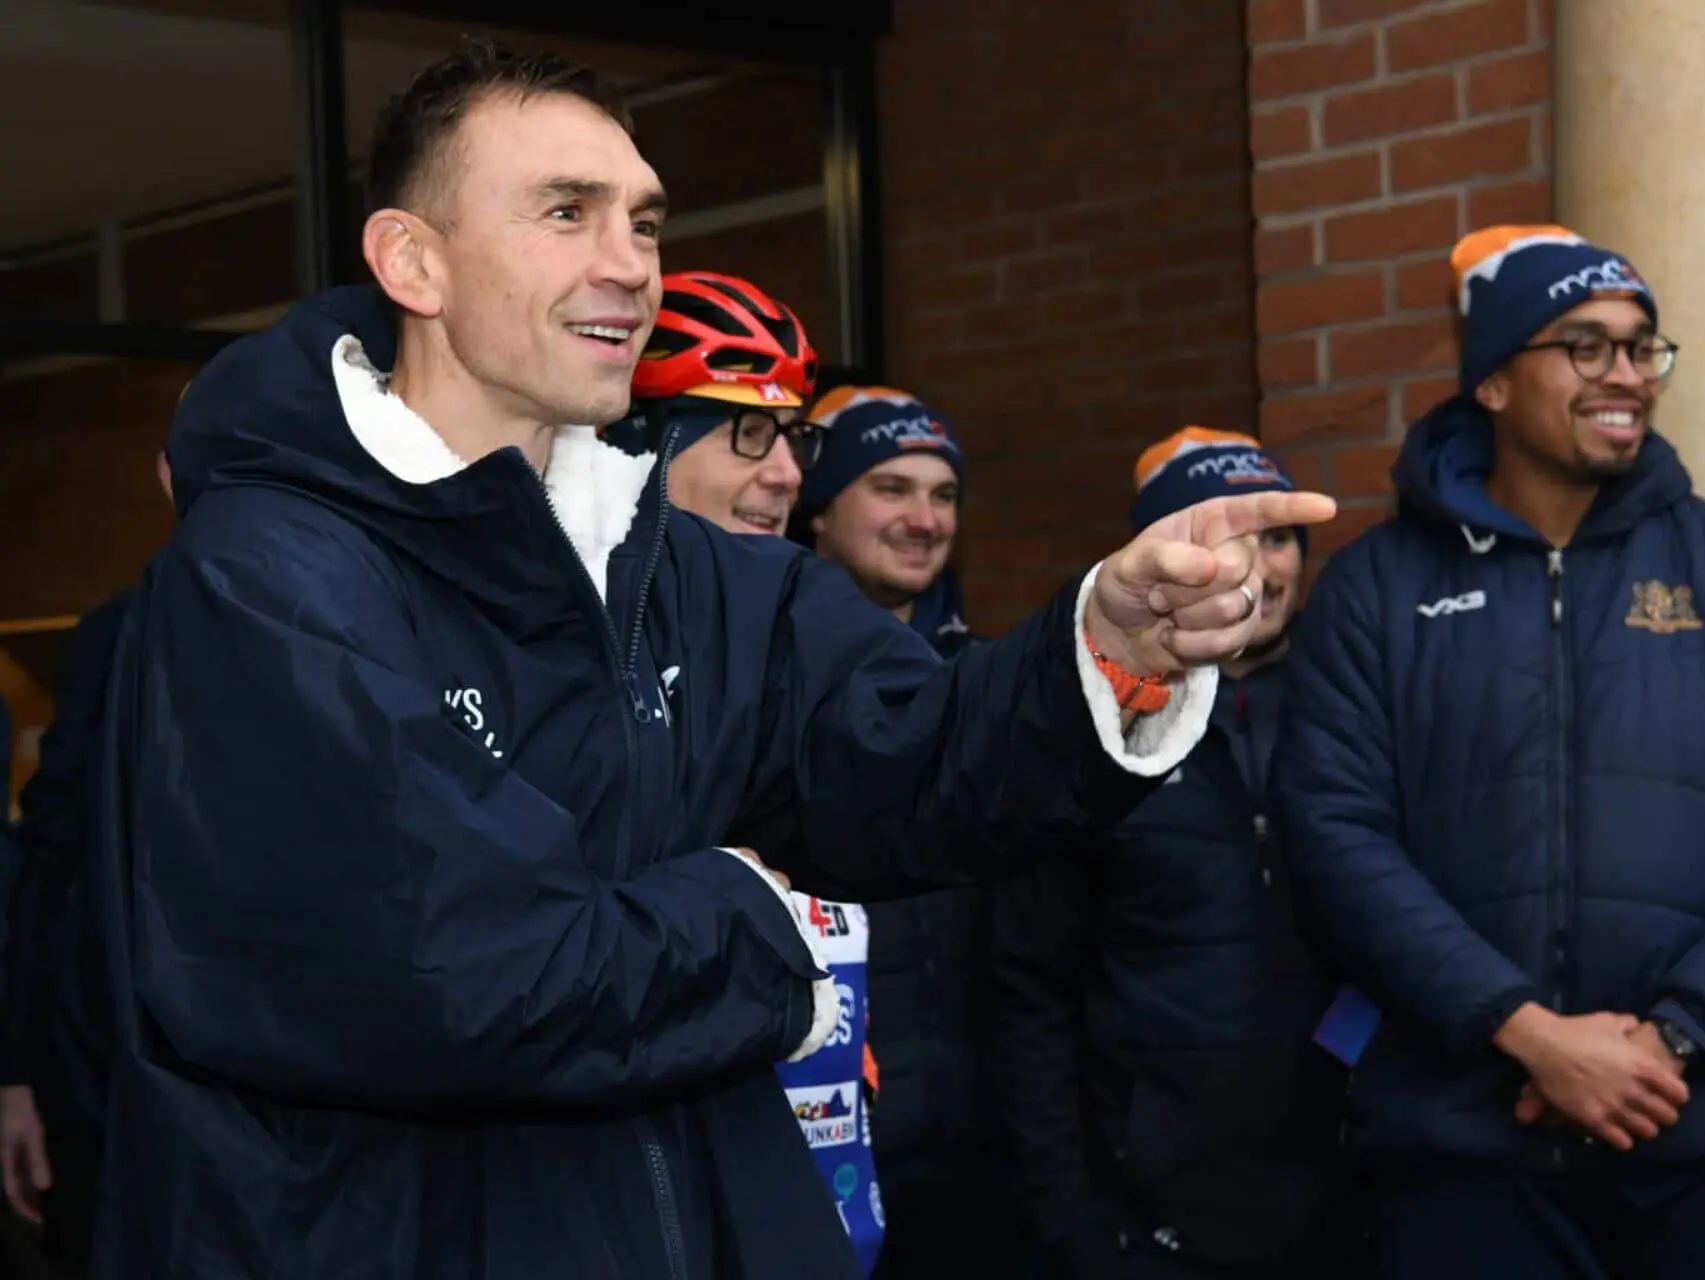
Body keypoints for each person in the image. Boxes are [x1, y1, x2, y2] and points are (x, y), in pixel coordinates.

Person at [92, 43, 1333, 1280]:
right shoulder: (265, 574)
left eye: (643, 221)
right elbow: (457, 974)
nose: (629, 262)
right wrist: (754, 918)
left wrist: (1111, 645)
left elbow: (915, 756)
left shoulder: (677, 565)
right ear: (413, 261)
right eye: (566, 212)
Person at [1274, 224, 1705, 1280]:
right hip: (1461, 1152)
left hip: (1699, 1134)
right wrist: (1527, 1033)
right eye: (1586, 345)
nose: (1627, 376)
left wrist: (1669, 1041)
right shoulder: (1376, 589)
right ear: (1494, 382)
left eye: (1643, 348)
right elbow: (1334, 839)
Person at [989, 428, 1356, 1280]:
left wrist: (1358, 1071)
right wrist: (1070, 1221)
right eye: (1225, 538)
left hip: (1348, 1195)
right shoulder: (1093, 727)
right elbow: (1029, 991)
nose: (1259, 567)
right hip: (1148, 1215)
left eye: (1278, 539)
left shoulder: (1353, 708)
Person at [616, 271, 892, 1273]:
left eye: (792, 438)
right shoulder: (586, 658)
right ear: (646, 445)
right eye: (746, 433)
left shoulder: (802, 632)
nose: (784, 473)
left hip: (829, 1204)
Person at [793, 386, 1036, 1279]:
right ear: (819, 509)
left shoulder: (994, 680)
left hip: (989, 1157)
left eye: (944, 495)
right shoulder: (762, 683)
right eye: (890, 488)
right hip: (819, 1160)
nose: (925, 519)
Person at [1, 449, 172, 1276]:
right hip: (100, 1089)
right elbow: (47, 855)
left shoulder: (351, 616)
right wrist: (18, 1074)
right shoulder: (115, 634)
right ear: (168, 472)